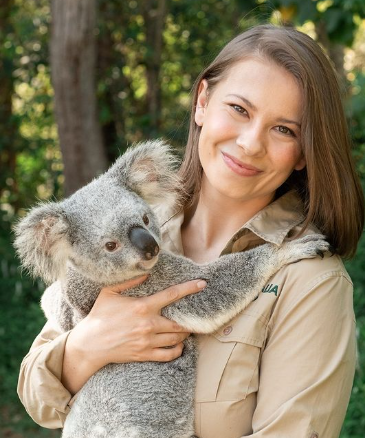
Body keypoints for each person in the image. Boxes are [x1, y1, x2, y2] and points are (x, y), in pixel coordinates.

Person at [18, 24, 364, 437]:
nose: (251, 143)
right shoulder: (134, 224)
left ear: (304, 152)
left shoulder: (309, 277)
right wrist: (88, 346)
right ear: (202, 102)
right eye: (239, 109)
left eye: (284, 129)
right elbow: (37, 395)